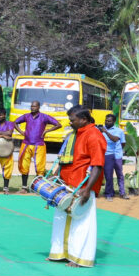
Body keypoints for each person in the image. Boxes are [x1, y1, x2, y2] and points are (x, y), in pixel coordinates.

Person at [47, 106, 104, 267]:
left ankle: (80, 258)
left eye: (72, 120)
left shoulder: (94, 135)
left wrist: (87, 190)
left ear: (84, 120)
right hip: (66, 184)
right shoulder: (74, 134)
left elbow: (98, 165)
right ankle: (60, 253)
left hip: (82, 187)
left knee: (81, 223)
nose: (70, 123)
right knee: (61, 219)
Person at [14, 101, 61, 191]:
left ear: (38, 107)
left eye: (34, 106)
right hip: (26, 143)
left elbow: (58, 124)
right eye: (31, 106)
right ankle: (24, 187)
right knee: (24, 165)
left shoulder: (44, 117)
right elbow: (15, 122)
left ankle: (38, 188)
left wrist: (47, 131)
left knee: (39, 167)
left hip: (39, 144)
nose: (32, 107)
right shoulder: (26, 116)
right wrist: (21, 132)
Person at [99, 114, 127, 200]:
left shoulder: (119, 131)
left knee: (120, 175)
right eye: (106, 120)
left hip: (117, 156)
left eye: (109, 121)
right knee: (108, 175)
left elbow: (117, 140)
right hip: (107, 155)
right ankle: (109, 194)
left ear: (114, 122)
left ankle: (122, 193)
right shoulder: (100, 130)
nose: (107, 122)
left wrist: (106, 132)